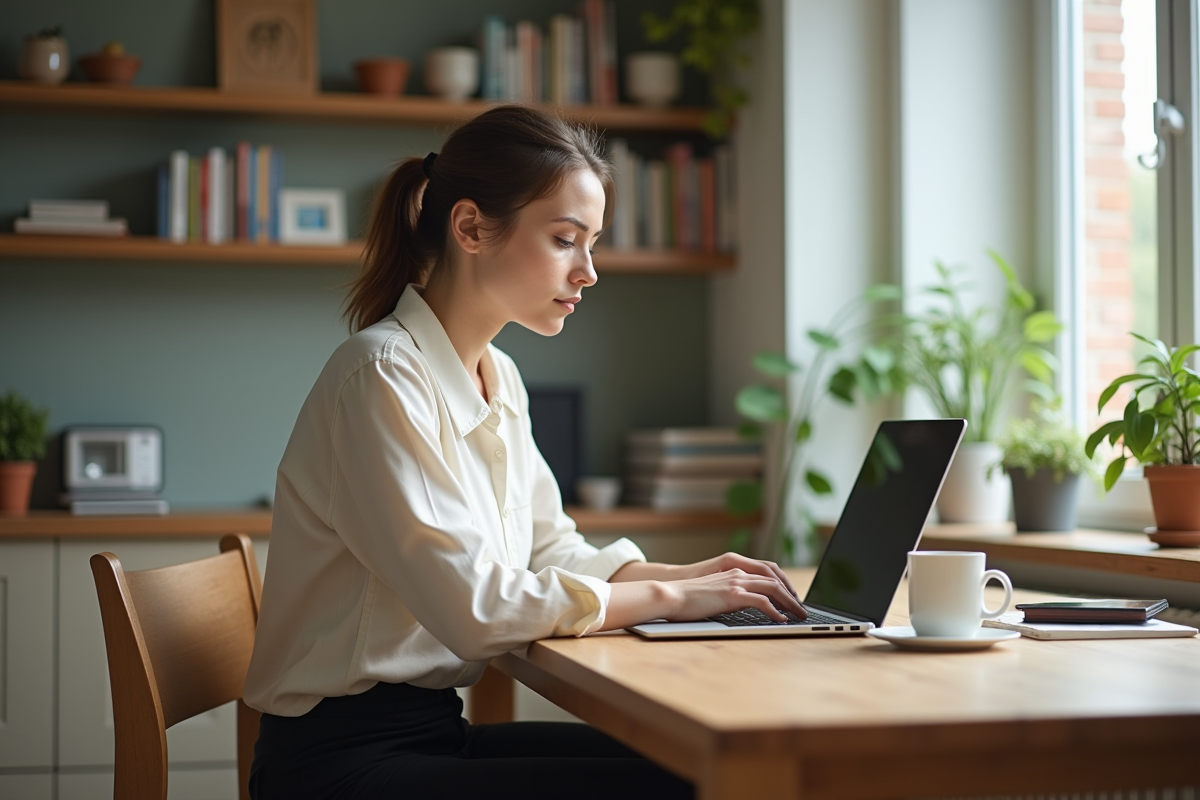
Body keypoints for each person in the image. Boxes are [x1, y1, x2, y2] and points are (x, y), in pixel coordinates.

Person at [243, 104, 805, 800]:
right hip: (337, 766)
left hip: (430, 733)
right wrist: (674, 597)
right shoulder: (380, 375)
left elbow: (549, 549)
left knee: (700, 771)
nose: (589, 271)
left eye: (591, 243)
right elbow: (475, 609)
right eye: (566, 239)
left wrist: (693, 577)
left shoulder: (497, 375)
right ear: (472, 227)